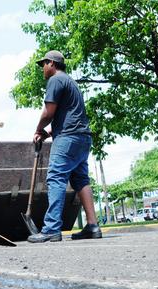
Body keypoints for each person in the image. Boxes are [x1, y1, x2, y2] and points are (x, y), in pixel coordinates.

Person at [28, 50, 103, 243]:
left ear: (51, 63)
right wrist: (49, 133)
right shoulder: (71, 82)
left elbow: (48, 113)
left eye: (43, 64)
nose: (42, 68)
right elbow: (70, 116)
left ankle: (52, 228)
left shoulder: (55, 80)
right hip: (82, 138)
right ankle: (93, 226)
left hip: (68, 138)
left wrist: (38, 130)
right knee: (81, 180)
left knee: (56, 177)